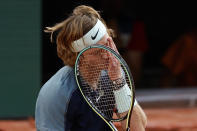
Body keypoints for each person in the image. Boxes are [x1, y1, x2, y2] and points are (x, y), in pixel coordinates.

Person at [35, 5, 147, 131]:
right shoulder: (56, 94)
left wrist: (119, 82)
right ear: (79, 57)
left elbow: (138, 128)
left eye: (107, 44)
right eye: (98, 52)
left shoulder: (114, 71)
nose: (107, 55)